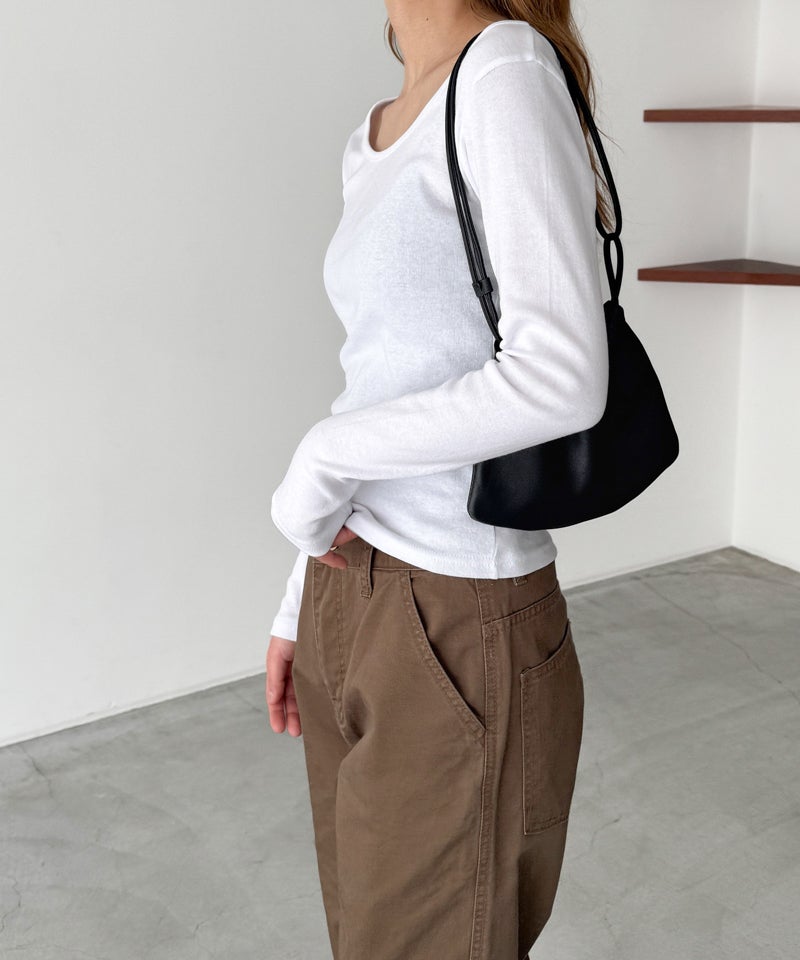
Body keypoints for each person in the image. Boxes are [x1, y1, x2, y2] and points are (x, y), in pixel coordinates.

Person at [265, 2, 611, 957]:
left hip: (458, 618)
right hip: (351, 592)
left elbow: (562, 374)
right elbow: (378, 381)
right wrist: (301, 597)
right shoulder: (374, 134)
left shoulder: (504, 67)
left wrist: (322, 457)